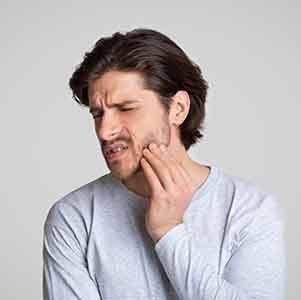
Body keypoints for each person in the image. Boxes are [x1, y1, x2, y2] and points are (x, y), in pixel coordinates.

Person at [42, 28, 287, 300]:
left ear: (178, 109)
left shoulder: (249, 210)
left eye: (125, 108)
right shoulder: (73, 218)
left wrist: (169, 232)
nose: (104, 131)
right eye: (98, 114)